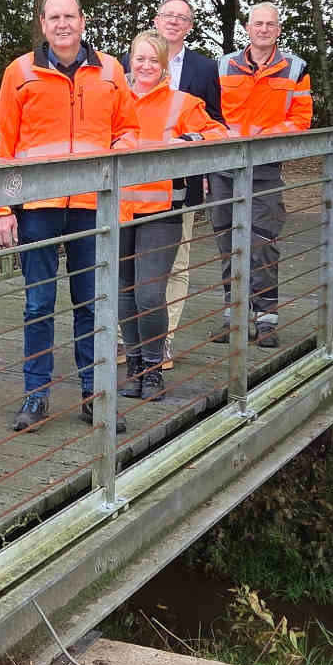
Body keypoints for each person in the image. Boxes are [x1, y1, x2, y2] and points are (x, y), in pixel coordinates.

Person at [0, 0, 141, 433]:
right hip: (37, 208)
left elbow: (129, 129)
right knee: (38, 304)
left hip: (93, 205)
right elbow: (2, 146)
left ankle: (96, 397)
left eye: (69, 16)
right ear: (42, 23)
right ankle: (35, 397)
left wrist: (119, 151)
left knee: (93, 306)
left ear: (83, 20)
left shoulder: (111, 70)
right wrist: (2, 209)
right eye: (54, 17)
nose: (62, 24)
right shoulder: (19, 72)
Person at [117, 30, 228, 402]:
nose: (146, 66)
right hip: (115, 211)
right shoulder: (113, 98)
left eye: (154, 60)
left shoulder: (182, 102)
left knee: (148, 294)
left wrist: (188, 141)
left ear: (164, 65)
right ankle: (133, 366)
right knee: (123, 294)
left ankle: (152, 367)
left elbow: (219, 133)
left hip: (161, 211)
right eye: (140, 59)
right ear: (129, 61)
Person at [206, 2, 314, 349]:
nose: (263, 29)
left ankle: (266, 319)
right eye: (257, 24)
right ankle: (233, 317)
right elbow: (208, 116)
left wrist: (264, 140)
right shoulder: (223, 65)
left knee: (263, 245)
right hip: (224, 168)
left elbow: (301, 119)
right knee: (228, 245)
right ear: (247, 29)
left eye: (270, 24)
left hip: (265, 170)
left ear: (278, 30)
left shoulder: (295, 68)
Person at [134, 0, 222, 370]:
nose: (173, 22)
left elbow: (215, 125)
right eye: (168, 15)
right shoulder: (126, 75)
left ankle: (163, 342)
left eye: (182, 18)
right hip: (125, 198)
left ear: (189, 27)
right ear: (156, 20)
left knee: (175, 264)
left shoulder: (203, 68)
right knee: (127, 273)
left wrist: (191, 152)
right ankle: (130, 342)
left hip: (176, 192)